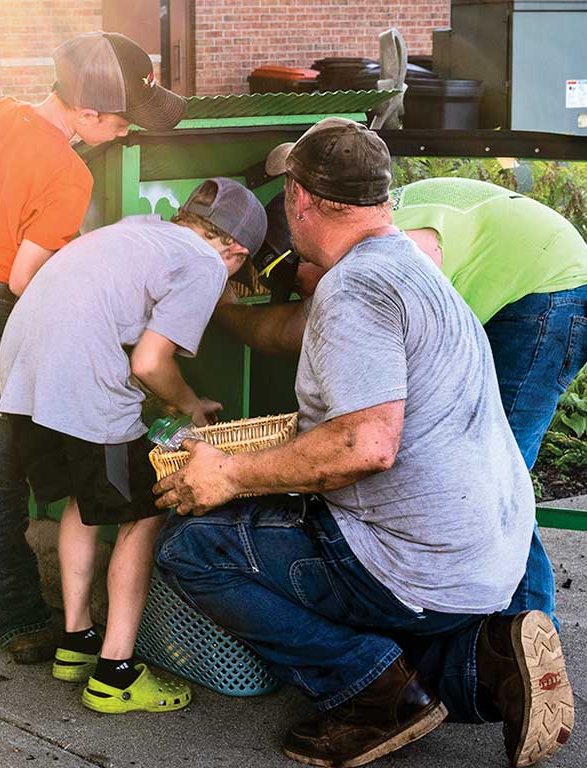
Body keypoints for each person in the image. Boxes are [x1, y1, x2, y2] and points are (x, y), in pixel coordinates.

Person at [152, 118, 573, 768]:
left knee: (195, 548)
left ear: (300, 201)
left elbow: (365, 445)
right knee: (400, 606)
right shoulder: (411, 261)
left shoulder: (355, 288)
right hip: (488, 559)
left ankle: (371, 694)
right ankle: (488, 664)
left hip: (421, 566)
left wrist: (231, 476)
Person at [0, 31, 187, 663]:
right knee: (3, 479)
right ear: (88, 113)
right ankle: (20, 621)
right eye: (121, 122)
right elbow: (22, 278)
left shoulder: (2, 113)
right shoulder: (69, 173)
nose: (123, 134)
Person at [0, 178, 265, 712]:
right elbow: (149, 362)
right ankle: (115, 675)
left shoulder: (140, 231)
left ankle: (76, 644)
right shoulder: (207, 263)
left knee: (82, 496)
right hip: (80, 380)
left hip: (22, 379)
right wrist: (188, 404)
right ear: (235, 250)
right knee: (143, 514)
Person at [294, 177, 587, 629]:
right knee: (487, 474)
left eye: (308, 285)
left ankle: (519, 636)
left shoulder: (400, 252)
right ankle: (507, 633)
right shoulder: (376, 231)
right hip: (548, 276)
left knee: (492, 479)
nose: (312, 297)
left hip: (547, 294)